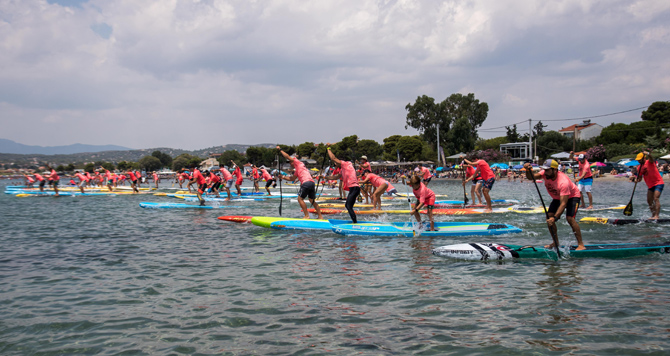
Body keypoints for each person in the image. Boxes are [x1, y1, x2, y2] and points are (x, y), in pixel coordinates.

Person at [524, 159, 585, 250]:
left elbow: (563, 203)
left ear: (555, 170)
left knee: (570, 218)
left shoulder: (563, 182)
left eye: (547, 170)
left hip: (572, 196)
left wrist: (556, 218)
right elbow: (531, 177)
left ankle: (581, 244)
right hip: (557, 197)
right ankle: (555, 242)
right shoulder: (545, 173)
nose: (545, 172)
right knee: (549, 218)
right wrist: (528, 170)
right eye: (544, 170)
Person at [276, 146, 323, 219]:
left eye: (289, 162)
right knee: (311, 200)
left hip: (306, 183)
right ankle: (320, 216)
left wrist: (280, 150)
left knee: (300, 199)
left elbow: (288, 156)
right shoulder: (298, 169)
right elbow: (292, 178)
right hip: (311, 183)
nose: (289, 164)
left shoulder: (298, 162)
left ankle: (307, 216)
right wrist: (283, 177)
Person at [324, 144, 360, 222]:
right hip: (353, 189)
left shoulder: (346, 164)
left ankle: (355, 223)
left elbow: (333, 158)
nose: (335, 165)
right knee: (348, 206)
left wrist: (328, 148)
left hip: (354, 188)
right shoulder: (343, 170)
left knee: (348, 206)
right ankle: (355, 221)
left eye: (336, 163)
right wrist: (324, 177)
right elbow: (334, 177)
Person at [635, 151, 664, 220]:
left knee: (656, 198)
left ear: (644, 158)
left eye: (640, 160)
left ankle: (657, 215)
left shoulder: (649, 162)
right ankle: (653, 215)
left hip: (658, 183)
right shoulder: (639, 168)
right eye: (638, 160)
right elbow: (639, 178)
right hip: (650, 185)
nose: (639, 161)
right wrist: (636, 180)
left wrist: (648, 153)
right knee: (649, 201)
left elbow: (651, 157)